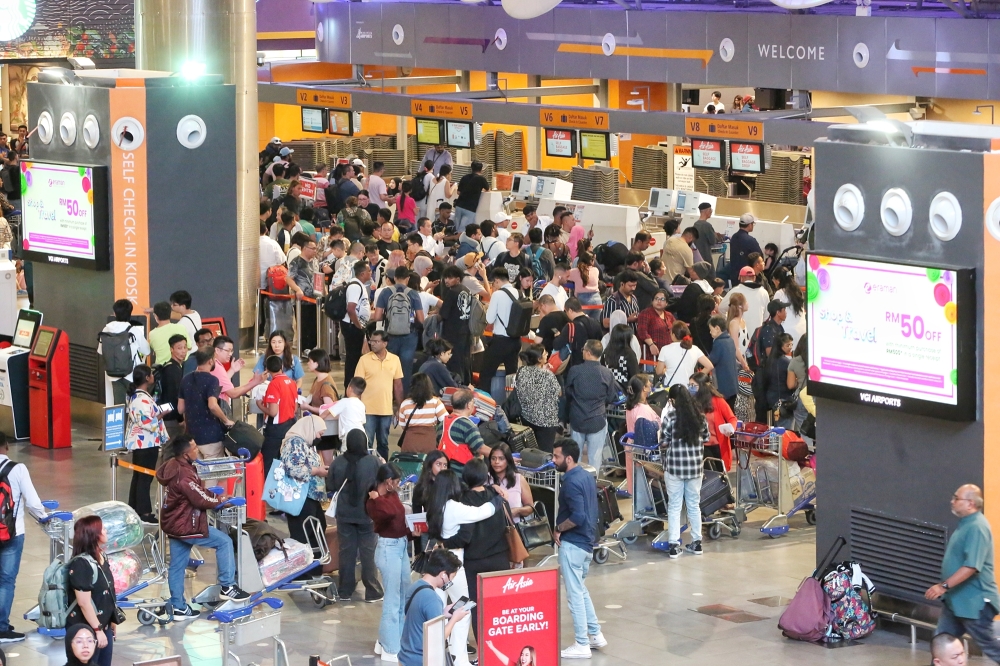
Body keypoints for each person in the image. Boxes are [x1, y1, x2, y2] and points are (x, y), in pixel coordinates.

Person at [157, 434, 251, 621]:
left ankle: (178, 607)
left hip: (174, 523)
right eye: (193, 448)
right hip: (187, 524)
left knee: (177, 566)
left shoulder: (174, 466)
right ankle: (227, 586)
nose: (197, 450)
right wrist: (222, 500)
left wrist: (211, 494)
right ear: (185, 454)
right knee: (223, 542)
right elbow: (199, 498)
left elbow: (195, 492)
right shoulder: (184, 475)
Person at [425, 469, 501, 666]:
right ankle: (460, 660)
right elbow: (481, 513)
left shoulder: (434, 507)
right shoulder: (454, 507)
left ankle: (437, 659)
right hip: (454, 563)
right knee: (462, 609)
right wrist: (498, 499)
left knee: (438, 612)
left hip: (436, 561)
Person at [924, 485, 1000, 663]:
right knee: (941, 645)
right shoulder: (967, 524)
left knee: (991, 647)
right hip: (957, 601)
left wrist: (943, 586)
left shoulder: (977, 527)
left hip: (975, 604)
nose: (952, 501)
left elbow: (972, 566)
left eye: (956, 498)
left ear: (970, 503)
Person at [552, 438, 605, 659]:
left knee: (574, 594)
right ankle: (595, 634)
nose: (553, 460)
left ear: (569, 458)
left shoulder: (571, 483)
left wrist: (558, 529)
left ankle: (582, 643)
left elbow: (578, 515)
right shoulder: (585, 475)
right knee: (581, 590)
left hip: (573, 543)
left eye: (556, 456)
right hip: (586, 543)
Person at [454, 459, 510, 638]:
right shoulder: (496, 497)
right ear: (485, 476)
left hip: (473, 562)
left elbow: (463, 535)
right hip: (500, 557)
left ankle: (483, 651)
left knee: (476, 607)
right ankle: (501, 644)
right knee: (500, 606)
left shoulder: (461, 501)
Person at [329, 429, 384, 602]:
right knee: (368, 553)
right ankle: (372, 591)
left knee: (346, 552)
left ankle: (345, 590)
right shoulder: (373, 462)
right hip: (367, 514)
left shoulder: (338, 462)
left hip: (344, 514)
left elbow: (330, 485)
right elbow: (381, 484)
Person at [0, 434, 44, 642]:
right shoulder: (17, 469)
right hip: (12, 533)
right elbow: (33, 501)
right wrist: (44, 517)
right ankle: (1, 628)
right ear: (6, 447)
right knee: (6, 581)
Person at [660, 383, 710, 559]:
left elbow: (663, 441)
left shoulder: (670, 418)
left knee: (674, 506)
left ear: (673, 400)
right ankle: (697, 543)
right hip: (695, 468)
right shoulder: (700, 418)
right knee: (693, 505)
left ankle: (674, 545)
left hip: (674, 468)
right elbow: (706, 438)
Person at [367, 463, 411, 663]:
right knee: (392, 601)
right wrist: (377, 500)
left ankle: (388, 639)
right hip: (388, 550)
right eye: (396, 481)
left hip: (400, 546)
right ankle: (390, 647)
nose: (400, 484)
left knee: (402, 596)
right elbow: (388, 515)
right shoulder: (372, 502)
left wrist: (412, 533)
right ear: (388, 482)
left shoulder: (391, 496)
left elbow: (399, 519)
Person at [398, 549, 469, 666]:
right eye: (451, 577)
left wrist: (443, 613)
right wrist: (454, 619)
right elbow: (438, 638)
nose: (450, 581)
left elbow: (418, 616)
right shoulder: (432, 599)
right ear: (443, 575)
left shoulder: (415, 586)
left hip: (405, 657)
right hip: (421, 660)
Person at [65, 517, 120, 666]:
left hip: (103, 625)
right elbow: (84, 602)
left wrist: (112, 620)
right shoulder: (81, 564)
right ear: (93, 534)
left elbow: (107, 591)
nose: (106, 531)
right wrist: (97, 629)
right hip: (87, 629)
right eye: (102, 529)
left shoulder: (101, 557)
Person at [279, 416, 330, 559]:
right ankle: (304, 571)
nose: (320, 437)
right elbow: (294, 469)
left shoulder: (304, 443)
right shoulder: (295, 443)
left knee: (316, 529)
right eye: (319, 433)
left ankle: (314, 567)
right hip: (300, 497)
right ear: (310, 429)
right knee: (303, 534)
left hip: (309, 496)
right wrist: (318, 471)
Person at [565, 340, 620, 468]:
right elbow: (611, 397)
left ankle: (575, 484)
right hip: (598, 420)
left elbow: (568, 392)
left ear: (588, 353)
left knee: (574, 458)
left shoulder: (575, 371)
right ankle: (592, 485)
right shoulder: (607, 373)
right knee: (595, 460)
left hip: (577, 419)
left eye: (583, 350)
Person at [124, 366, 169, 523]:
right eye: (151, 375)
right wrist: (161, 415)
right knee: (145, 477)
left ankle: (135, 507)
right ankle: (144, 512)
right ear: (147, 378)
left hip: (140, 443)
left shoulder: (135, 396)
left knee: (138, 476)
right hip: (146, 442)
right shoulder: (141, 399)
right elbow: (146, 422)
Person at [374, 266, 425, 396]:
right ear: (407, 278)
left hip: (390, 335)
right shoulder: (413, 294)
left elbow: (377, 317)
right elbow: (420, 318)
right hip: (409, 336)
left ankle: (388, 396)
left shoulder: (385, 293)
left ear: (394, 278)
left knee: (389, 366)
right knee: (405, 368)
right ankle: (404, 398)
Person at [355, 330, 404, 461]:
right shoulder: (364, 360)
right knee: (368, 442)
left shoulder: (394, 360)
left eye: (376, 341)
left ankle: (383, 469)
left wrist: (400, 407)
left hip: (386, 409)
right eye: (371, 341)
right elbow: (357, 386)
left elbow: (398, 385)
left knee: (383, 442)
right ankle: (368, 467)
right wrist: (357, 407)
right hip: (367, 410)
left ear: (385, 343)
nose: (373, 344)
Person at [178, 348, 234, 459]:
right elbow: (212, 405)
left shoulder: (186, 379)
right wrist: (226, 420)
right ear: (210, 361)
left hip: (192, 437)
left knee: (198, 473)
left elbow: (180, 409)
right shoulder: (212, 380)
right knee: (213, 473)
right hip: (211, 437)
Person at [98, 298, 150, 406]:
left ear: (115, 313)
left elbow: (101, 351)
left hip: (112, 374)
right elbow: (147, 350)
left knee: (119, 406)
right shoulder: (133, 330)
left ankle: (121, 423)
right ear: (130, 313)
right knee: (136, 404)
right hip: (131, 374)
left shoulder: (106, 330)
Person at [478, 268, 522, 392]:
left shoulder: (497, 294)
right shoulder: (519, 293)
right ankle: (511, 405)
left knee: (486, 374)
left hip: (500, 342)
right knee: (512, 376)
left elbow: (490, 319)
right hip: (515, 341)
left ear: (497, 281)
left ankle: (485, 405)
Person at [257, 354, 300, 474]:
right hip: (291, 426)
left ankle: (268, 490)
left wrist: (260, 405)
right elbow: (295, 408)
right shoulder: (292, 383)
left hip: (276, 431)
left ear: (267, 369)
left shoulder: (274, 384)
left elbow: (273, 412)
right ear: (281, 366)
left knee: (269, 464)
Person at [514, 345, 561, 452]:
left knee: (530, 452)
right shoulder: (548, 375)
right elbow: (558, 392)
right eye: (545, 353)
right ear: (539, 359)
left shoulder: (521, 371)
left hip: (527, 417)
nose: (547, 354)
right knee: (545, 454)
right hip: (546, 421)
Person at [690, 372, 737, 471]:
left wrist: (731, 429)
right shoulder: (691, 402)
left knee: (720, 475)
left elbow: (732, 418)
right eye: (689, 385)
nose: (690, 388)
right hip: (700, 447)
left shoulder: (718, 401)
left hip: (717, 446)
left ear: (702, 386)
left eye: (693, 385)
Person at [302, 348, 341, 461]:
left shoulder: (325, 385)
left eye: (310, 361)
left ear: (317, 363)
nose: (308, 363)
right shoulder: (318, 380)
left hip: (327, 430)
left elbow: (328, 409)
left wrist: (308, 407)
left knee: (327, 463)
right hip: (319, 427)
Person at [396, 373, 448, 453]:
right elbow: (445, 420)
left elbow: (403, 425)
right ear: (429, 386)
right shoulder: (436, 402)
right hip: (429, 442)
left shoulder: (405, 404)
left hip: (410, 442)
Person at [656, 321, 714, 388]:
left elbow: (658, 371)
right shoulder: (695, 349)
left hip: (671, 388)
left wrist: (666, 371)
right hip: (689, 388)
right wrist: (696, 379)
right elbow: (709, 366)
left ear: (673, 335)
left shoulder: (665, 349)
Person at [439, 388, 490, 463]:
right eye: (473, 402)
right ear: (468, 405)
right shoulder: (467, 425)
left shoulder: (442, 424)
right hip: (463, 472)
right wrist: (503, 457)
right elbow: (480, 448)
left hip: (445, 471)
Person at [552, 298, 604, 370]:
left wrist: (557, 336)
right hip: (595, 364)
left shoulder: (570, 327)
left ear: (570, 310)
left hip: (577, 366)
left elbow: (557, 345)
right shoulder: (595, 322)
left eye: (566, 311)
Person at [157, 334, 188, 439]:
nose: (183, 351)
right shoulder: (172, 369)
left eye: (185, 347)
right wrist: (180, 419)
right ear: (171, 349)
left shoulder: (174, 366)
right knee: (170, 450)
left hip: (169, 415)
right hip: (171, 418)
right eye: (179, 348)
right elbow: (174, 396)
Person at [704, 315, 738, 407]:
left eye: (711, 329)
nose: (710, 332)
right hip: (733, 384)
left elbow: (712, 361)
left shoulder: (719, 343)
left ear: (717, 328)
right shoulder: (730, 340)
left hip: (723, 385)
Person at [147, 301, 193, 365]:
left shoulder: (151, 334)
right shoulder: (181, 328)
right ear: (170, 313)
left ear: (155, 316)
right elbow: (189, 347)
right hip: (182, 368)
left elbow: (148, 352)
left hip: (162, 369)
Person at [765, 333, 796, 428]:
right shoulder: (786, 362)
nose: (790, 347)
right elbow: (790, 384)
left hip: (772, 399)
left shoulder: (769, 360)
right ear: (780, 346)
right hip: (784, 400)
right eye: (787, 345)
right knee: (785, 431)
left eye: (791, 344)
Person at [637, 289, 675, 363]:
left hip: (668, 356)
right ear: (652, 301)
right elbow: (642, 331)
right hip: (651, 355)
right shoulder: (646, 313)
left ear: (667, 303)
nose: (659, 301)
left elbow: (676, 331)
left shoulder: (669, 315)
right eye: (656, 298)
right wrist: (651, 344)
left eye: (662, 299)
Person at [772, 266, 807, 347]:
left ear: (778, 280)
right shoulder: (798, 291)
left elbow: (774, 315)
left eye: (774, 280)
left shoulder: (779, 293)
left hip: (787, 334)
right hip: (802, 331)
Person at [454, 161, 489, 231]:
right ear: (481, 169)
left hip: (459, 205)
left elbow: (458, 192)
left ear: (471, 168)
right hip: (470, 208)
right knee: (463, 231)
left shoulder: (464, 177)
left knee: (456, 228)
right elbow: (487, 189)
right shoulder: (481, 179)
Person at [661, 219, 699, 283]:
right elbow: (691, 272)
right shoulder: (687, 249)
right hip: (675, 283)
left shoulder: (669, 241)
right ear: (691, 237)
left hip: (663, 279)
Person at [729, 213, 763, 279]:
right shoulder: (750, 240)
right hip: (747, 275)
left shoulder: (734, 237)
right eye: (753, 224)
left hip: (734, 274)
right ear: (750, 225)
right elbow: (759, 257)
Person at [725, 292, 752, 372]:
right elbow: (735, 347)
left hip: (743, 358)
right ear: (740, 306)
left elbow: (746, 343)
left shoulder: (742, 321)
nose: (747, 303)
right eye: (745, 302)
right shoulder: (734, 323)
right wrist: (744, 363)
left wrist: (749, 359)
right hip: (737, 361)